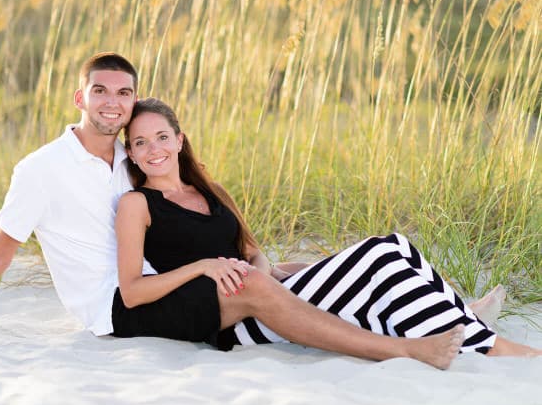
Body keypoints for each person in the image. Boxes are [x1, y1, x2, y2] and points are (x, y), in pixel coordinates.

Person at [0, 52, 512, 368]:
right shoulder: (40, 169)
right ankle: (406, 351)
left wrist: (246, 256)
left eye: (123, 94)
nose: (111, 102)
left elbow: (185, 222)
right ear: (79, 95)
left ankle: (455, 314)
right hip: (115, 310)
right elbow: (1, 248)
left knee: (305, 265)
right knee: (257, 287)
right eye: (99, 91)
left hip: (162, 285)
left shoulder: (125, 166)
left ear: (134, 105)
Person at [112, 97, 539, 359]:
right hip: (234, 319)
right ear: (130, 153)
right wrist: (202, 266)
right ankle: (492, 347)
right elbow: (132, 291)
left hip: (267, 291)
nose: (154, 150)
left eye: (162, 137)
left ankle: (462, 317)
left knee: (392, 246)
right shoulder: (137, 205)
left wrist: (265, 269)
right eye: (141, 143)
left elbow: (252, 249)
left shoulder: (212, 189)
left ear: (180, 140)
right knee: (379, 262)